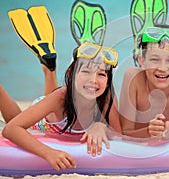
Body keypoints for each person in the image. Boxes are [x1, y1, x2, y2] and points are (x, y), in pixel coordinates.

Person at [2, 42, 122, 170]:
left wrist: (101, 126)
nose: (93, 80)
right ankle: (48, 71)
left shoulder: (107, 98)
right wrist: (48, 153)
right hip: (46, 122)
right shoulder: (61, 96)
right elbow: (10, 129)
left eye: (102, 74)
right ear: (72, 73)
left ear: (108, 81)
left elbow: (119, 136)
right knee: (16, 120)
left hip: (56, 110)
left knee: (52, 103)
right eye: (86, 71)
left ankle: (49, 68)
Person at [119, 24, 169, 138]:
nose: (162, 68)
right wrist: (148, 131)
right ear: (142, 61)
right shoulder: (133, 78)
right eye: (154, 59)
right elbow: (123, 133)